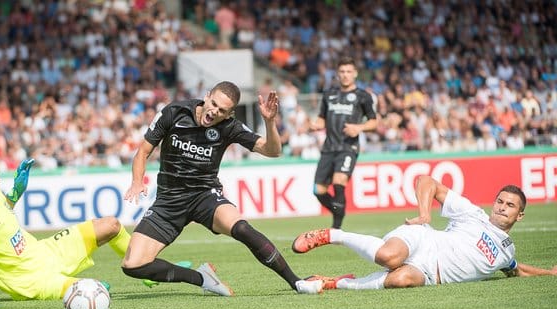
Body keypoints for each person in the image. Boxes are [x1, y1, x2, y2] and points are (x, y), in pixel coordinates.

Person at [122, 81, 322, 296]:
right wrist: (137, 181)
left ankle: (297, 282)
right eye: (214, 104)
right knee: (133, 265)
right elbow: (143, 151)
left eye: (222, 110)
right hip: (169, 201)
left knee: (242, 228)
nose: (214, 112)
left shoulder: (229, 126)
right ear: (207, 96)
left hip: (205, 196)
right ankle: (202, 278)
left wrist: (269, 122)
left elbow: (272, 151)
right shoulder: (174, 112)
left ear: (229, 114)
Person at [293, 175, 557, 291]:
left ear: (519, 215)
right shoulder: (472, 213)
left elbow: (516, 271)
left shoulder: (507, 251)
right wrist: (425, 213)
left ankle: (334, 282)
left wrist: (550, 273)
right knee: (389, 257)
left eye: (510, 205)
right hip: (423, 239)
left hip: (432, 273)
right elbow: (426, 180)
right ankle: (332, 234)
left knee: (400, 280)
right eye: (500, 201)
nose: (502, 207)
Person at [0, 149, 131, 307]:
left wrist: (17, 191)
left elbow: (5, 209)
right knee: (96, 290)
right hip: (33, 281)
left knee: (111, 225)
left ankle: (139, 264)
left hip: (46, 251)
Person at [309, 57, 377, 229]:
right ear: (337, 74)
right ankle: (339, 210)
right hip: (328, 147)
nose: (345, 75)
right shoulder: (329, 94)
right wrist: (315, 125)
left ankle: (336, 228)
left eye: (348, 71)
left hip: (348, 147)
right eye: (342, 72)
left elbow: (374, 122)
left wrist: (359, 128)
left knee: (339, 182)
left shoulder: (363, 96)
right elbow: (322, 119)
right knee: (318, 190)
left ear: (355, 74)